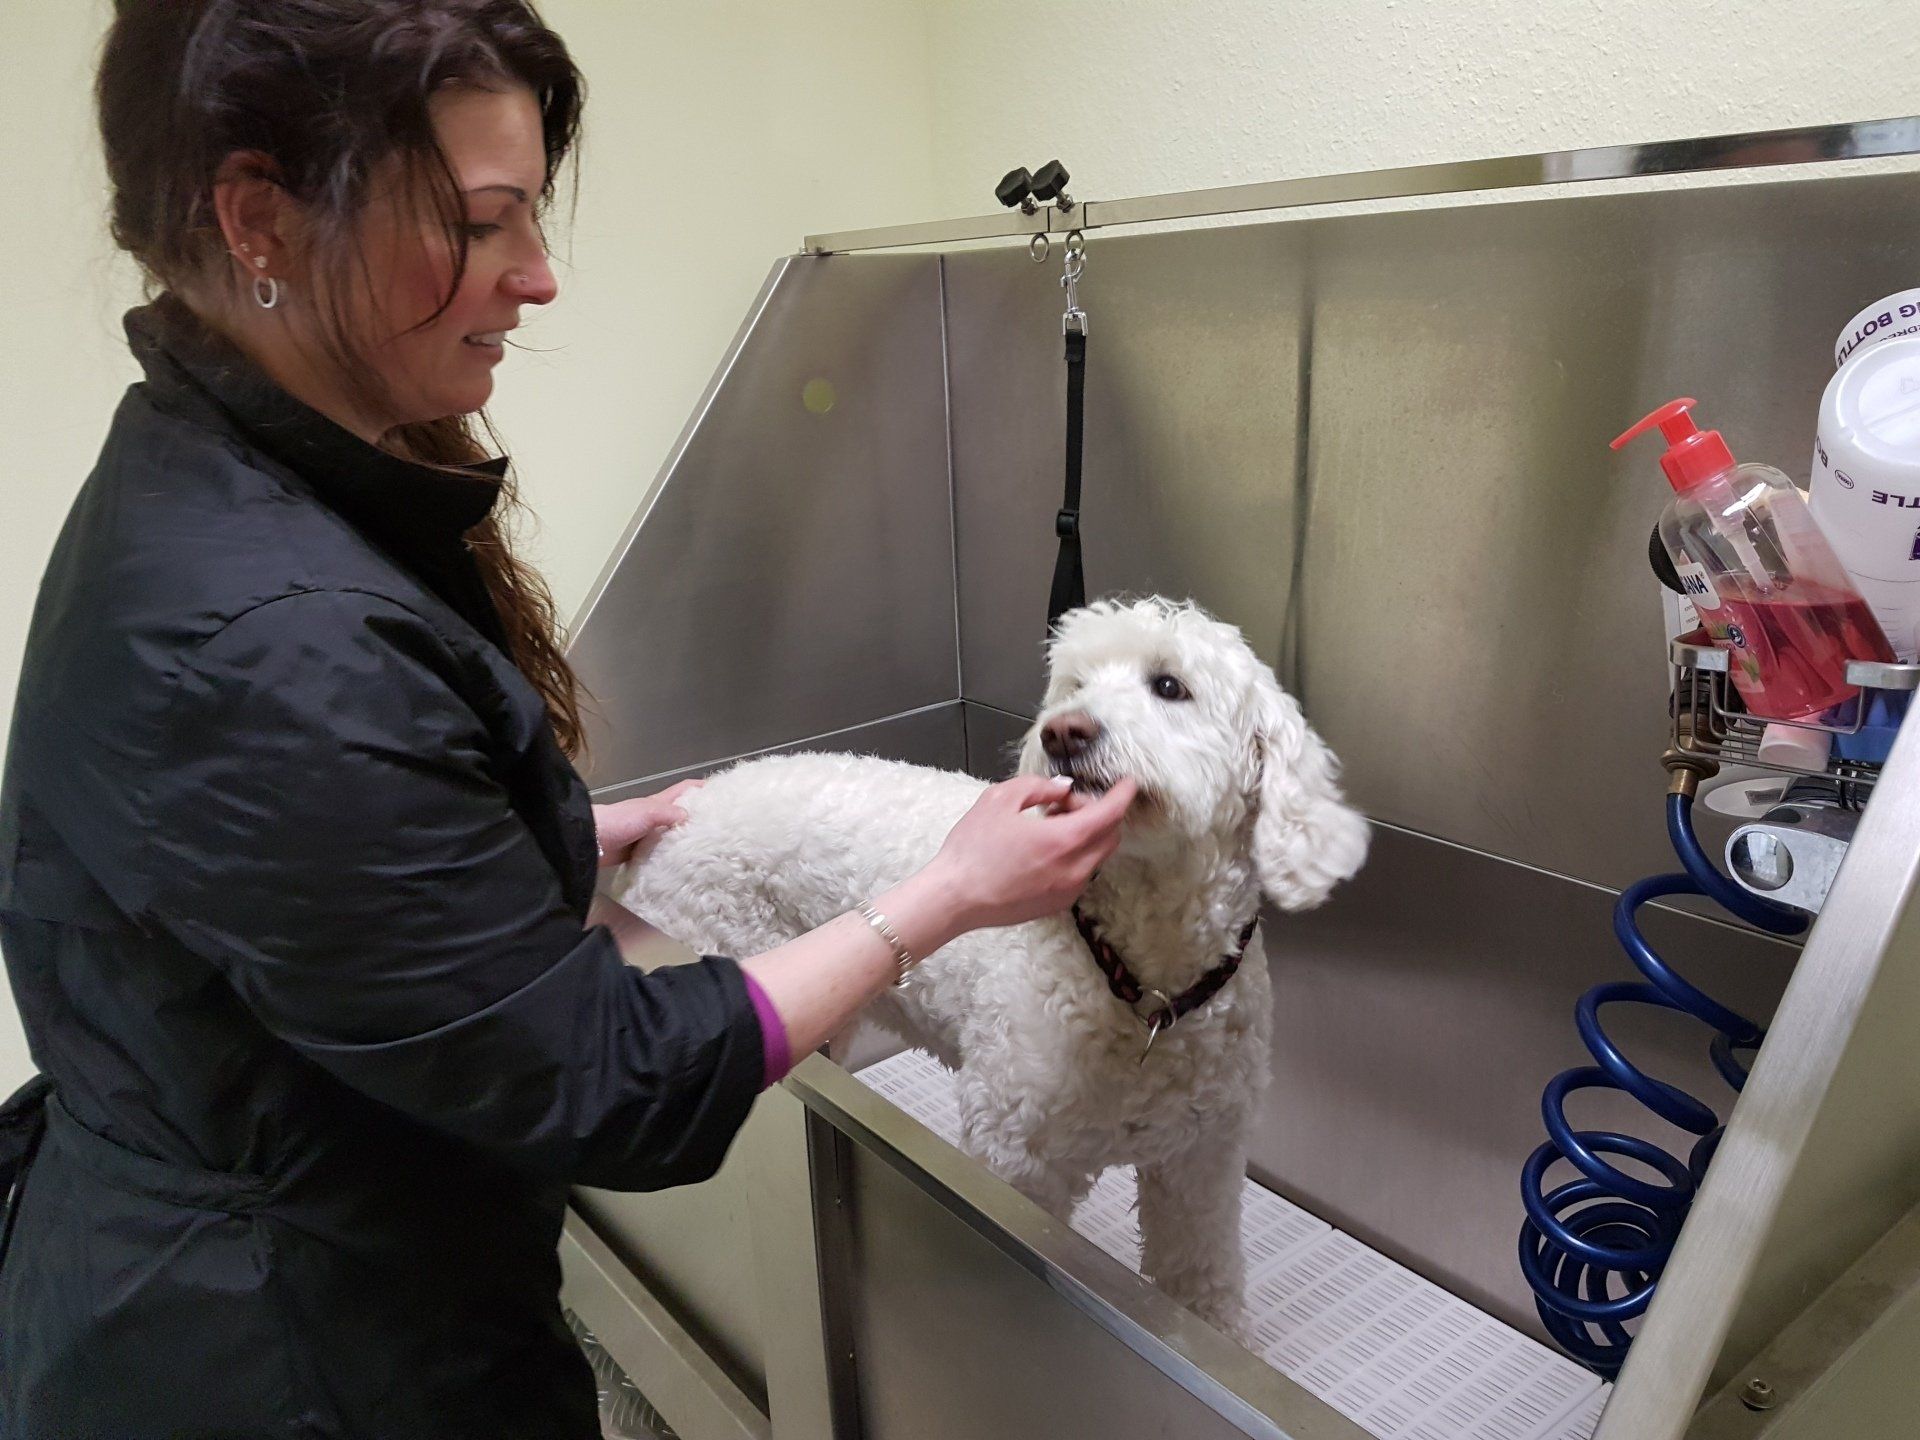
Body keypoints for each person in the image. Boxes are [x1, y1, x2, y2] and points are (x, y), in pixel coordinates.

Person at [0, 3, 1135, 1436]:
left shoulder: (197, 478)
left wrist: (528, 833)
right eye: (484, 222)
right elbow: (616, 1085)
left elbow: (288, 880)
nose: (536, 277)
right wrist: (942, 898)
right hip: (291, 1364)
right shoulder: (278, 644)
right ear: (259, 220)